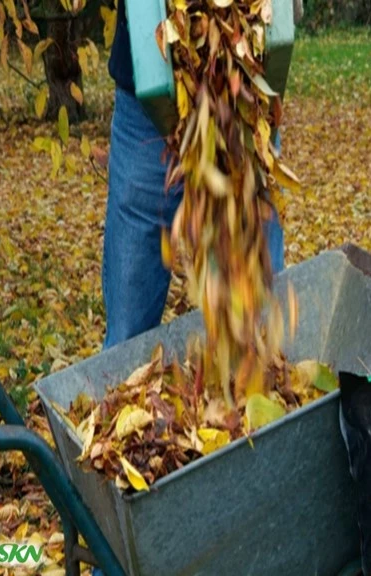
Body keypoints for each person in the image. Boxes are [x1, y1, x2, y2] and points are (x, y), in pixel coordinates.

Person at [101, 0, 304, 354]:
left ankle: (262, 399)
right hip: (147, 99)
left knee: (256, 320)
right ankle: (124, 397)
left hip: (241, 101)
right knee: (127, 340)